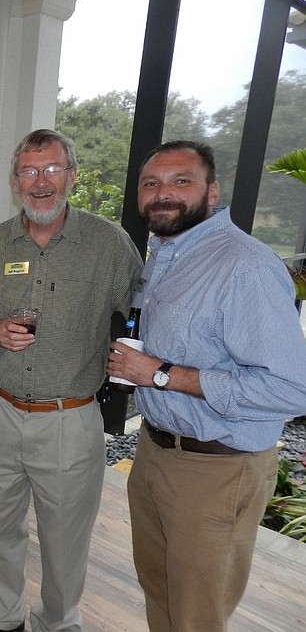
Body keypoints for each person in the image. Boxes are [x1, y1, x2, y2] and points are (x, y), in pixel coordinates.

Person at [105, 140, 306, 632]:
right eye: (151, 184)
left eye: (181, 181)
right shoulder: (166, 256)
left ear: (211, 191)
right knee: (161, 590)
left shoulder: (245, 266)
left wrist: (159, 374)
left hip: (217, 469)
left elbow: (290, 389)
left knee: (197, 614)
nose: (162, 194)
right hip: (156, 453)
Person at [0, 128, 143, 632]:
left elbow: (145, 309)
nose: (41, 182)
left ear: (72, 176)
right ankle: (2, 618)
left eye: (52, 169)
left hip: (69, 419)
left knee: (65, 541)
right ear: (15, 180)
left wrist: (139, 356)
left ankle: (59, 622)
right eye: (29, 171)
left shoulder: (108, 244)